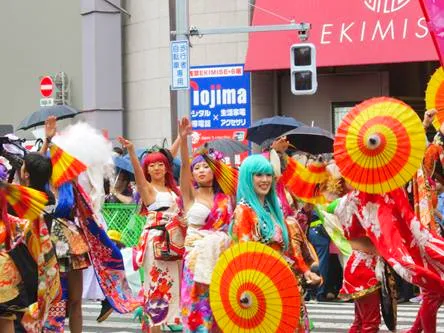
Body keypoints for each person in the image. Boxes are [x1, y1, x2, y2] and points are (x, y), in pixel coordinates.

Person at [230, 154, 321, 332]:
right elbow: (245, 255)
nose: (265, 180)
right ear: (248, 178)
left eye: (268, 175)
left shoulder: (272, 208)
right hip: (262, 287)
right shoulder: (243, 210)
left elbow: (288, 249)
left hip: (285, 280)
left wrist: (305, 271)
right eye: (258, 175)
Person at [119, 136, 184, 333]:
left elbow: (169, 157)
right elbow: (138, 175)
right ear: (146, 170)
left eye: (160, 164)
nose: (156, 168)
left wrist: (181, 138)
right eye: (152, 165)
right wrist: (131, 151)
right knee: (156, 291)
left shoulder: (175, 190)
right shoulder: (148, 189)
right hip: (156, 243)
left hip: (174, 243)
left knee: (175, 290)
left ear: (167, 168)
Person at [178, 117, 233, 332]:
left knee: (221, 306)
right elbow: (183, 165)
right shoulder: (190, 195)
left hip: (221, 257)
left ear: (214, 170)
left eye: (205, 167)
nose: (201, 171)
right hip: (196, 257)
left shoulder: (227, 196)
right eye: (197, 168)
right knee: (198, 308)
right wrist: (183, 141)